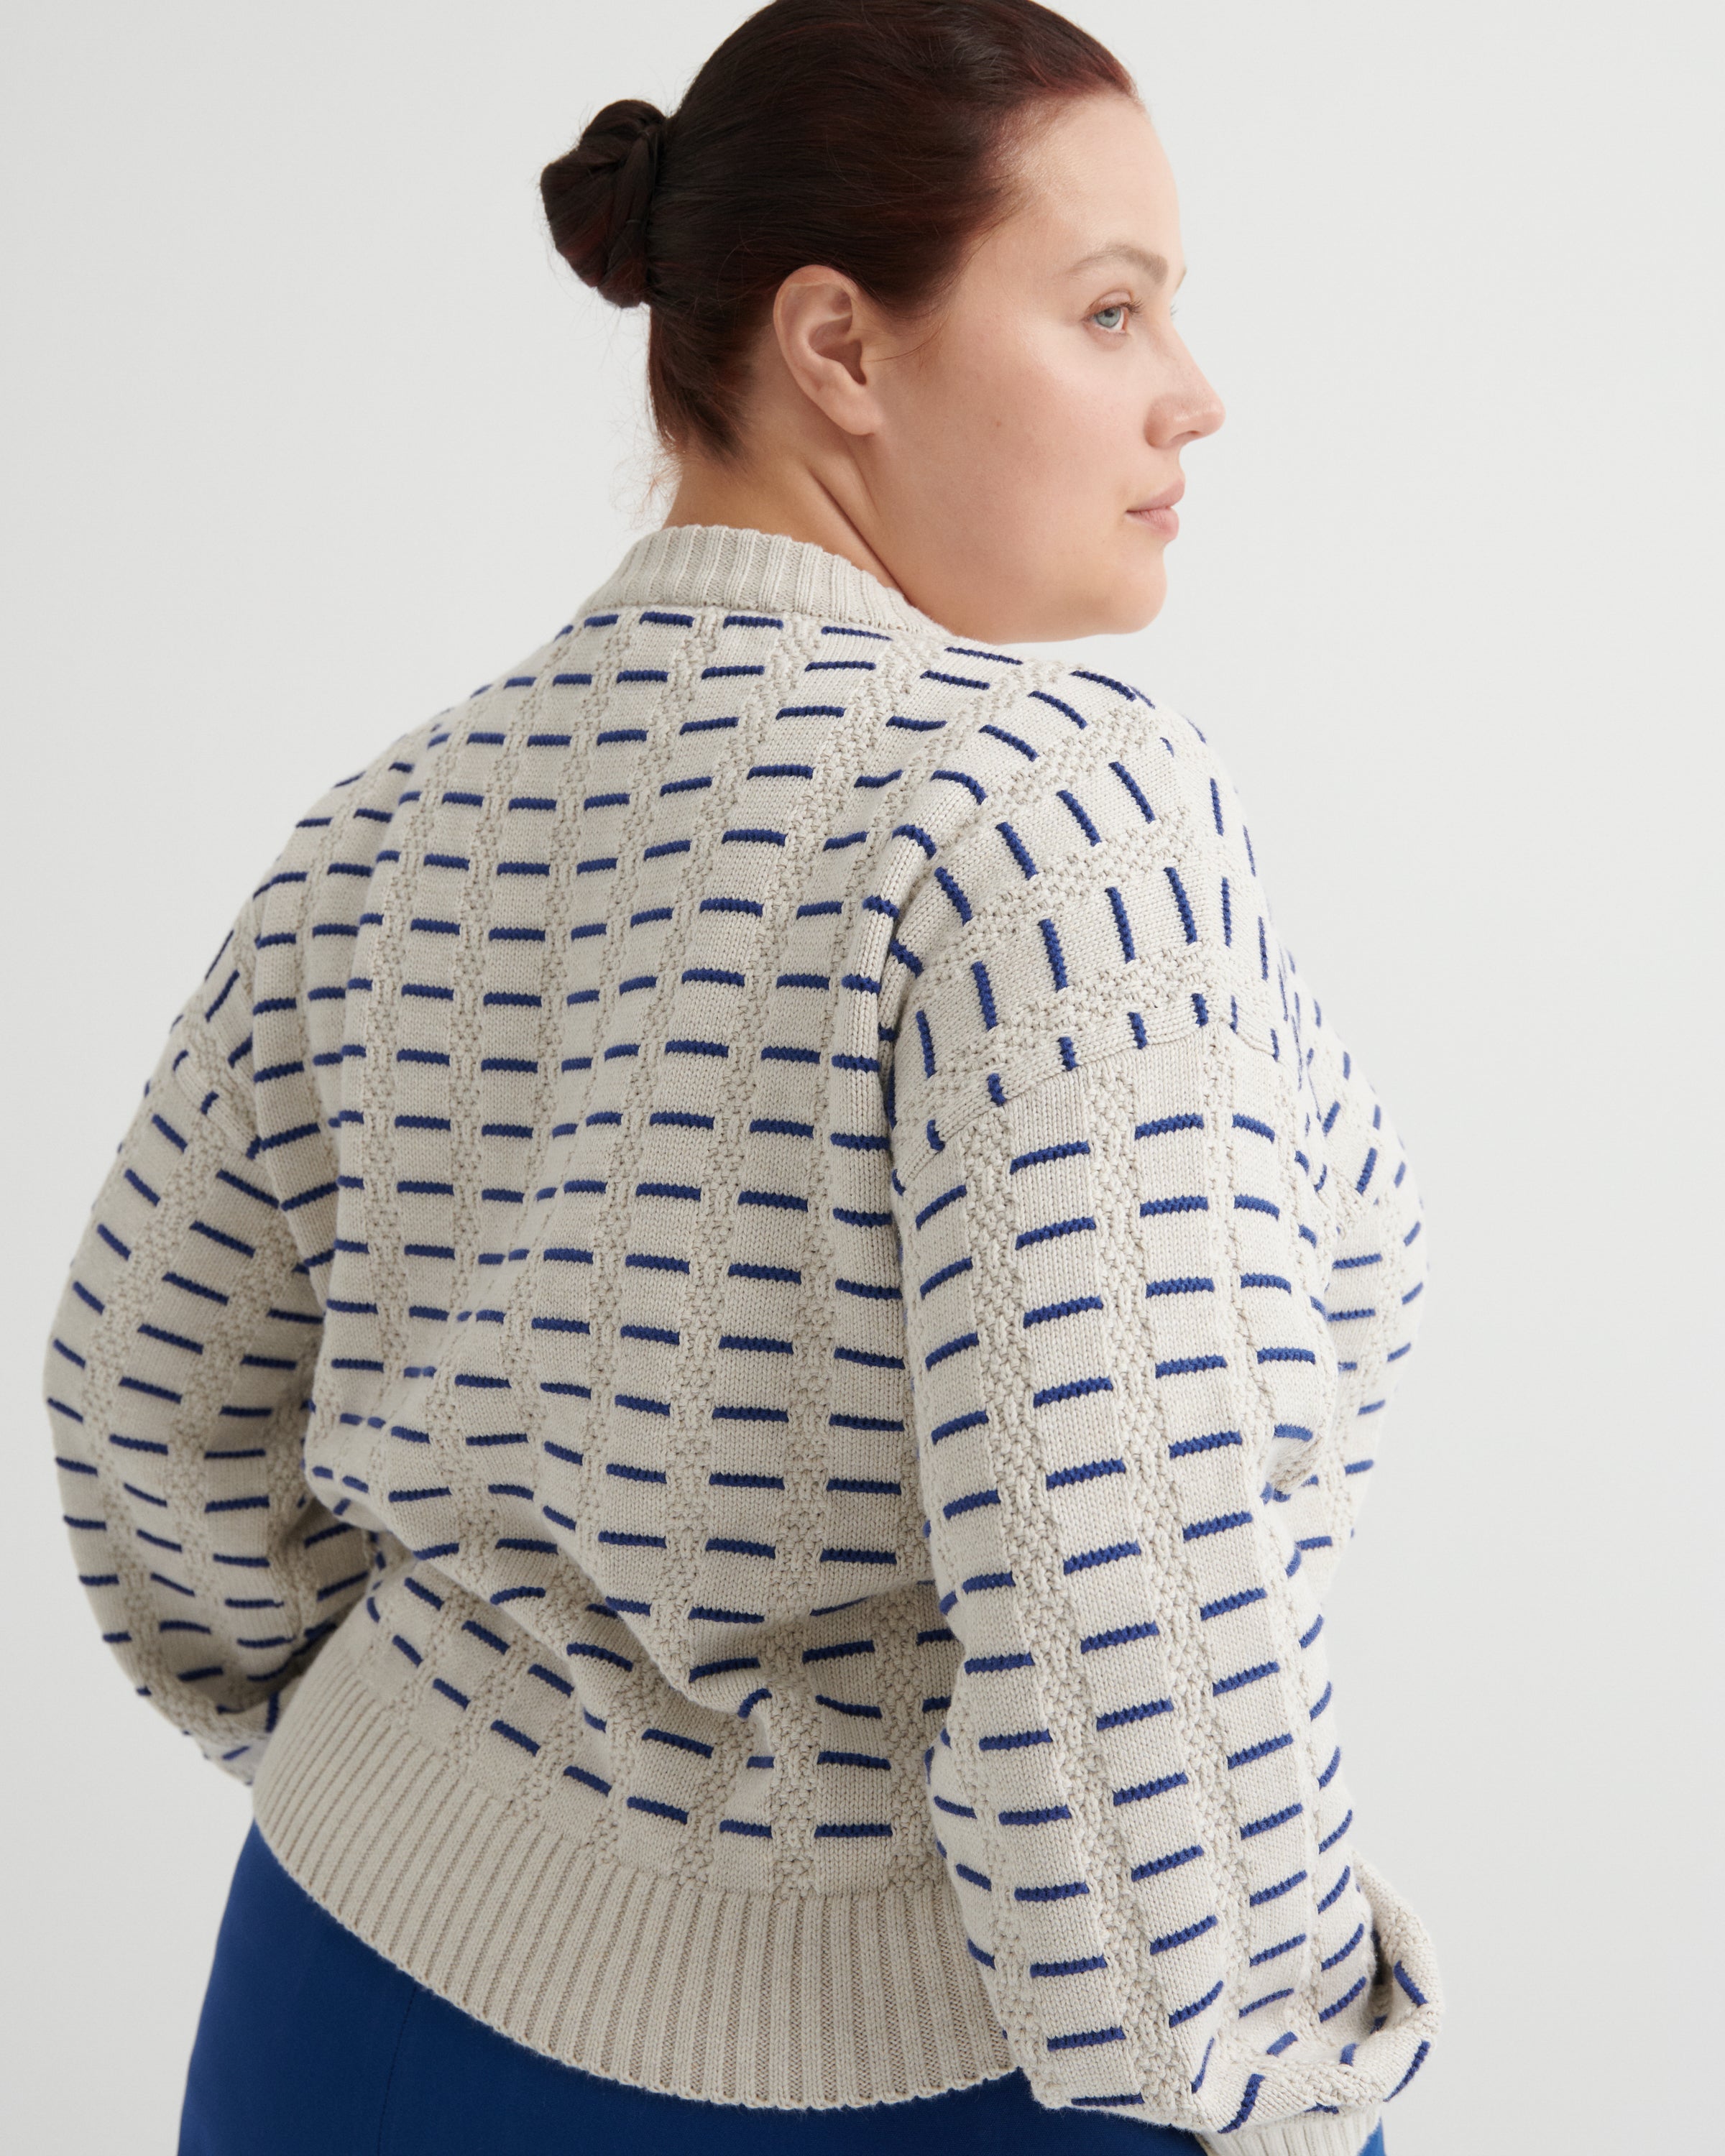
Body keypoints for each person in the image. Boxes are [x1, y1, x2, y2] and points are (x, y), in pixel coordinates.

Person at [40, 4, 1440, 2150]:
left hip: (342, 2001)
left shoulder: (387, 826)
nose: (1194, 390)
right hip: (938, 2068)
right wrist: (1284, 2082)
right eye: (1110, 309)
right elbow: (1136, 1592)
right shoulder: (1052, 820)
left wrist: (440, 1780)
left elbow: (144, 1404)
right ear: (840, 346)